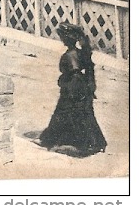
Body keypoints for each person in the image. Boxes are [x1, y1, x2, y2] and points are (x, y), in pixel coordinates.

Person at [38, 22, 107, 156]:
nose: (61, 39)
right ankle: (92, 142)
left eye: (62, 37)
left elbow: (74, 74)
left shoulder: (69, 55)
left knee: (70, 113)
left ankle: (83, 144)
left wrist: (69, 88)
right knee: (78, 113)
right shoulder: (82, 52)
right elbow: (88, 69)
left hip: (73, 87)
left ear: (67, 38)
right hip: (81, 86)